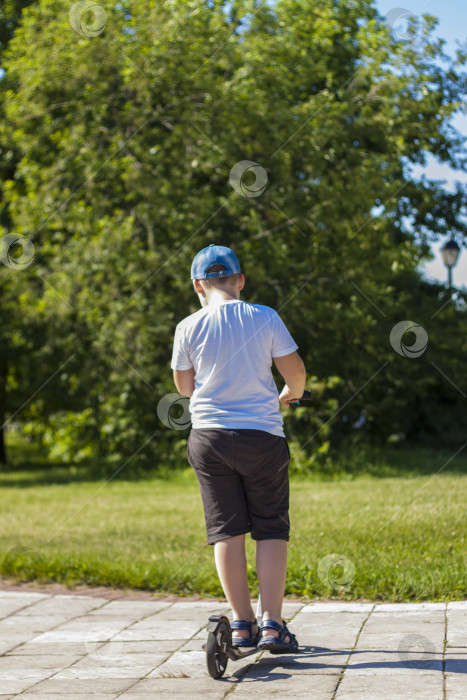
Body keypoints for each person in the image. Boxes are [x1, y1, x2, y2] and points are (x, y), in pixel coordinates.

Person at [171, 243, 306, 652]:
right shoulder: (264, 317)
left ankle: (242, 625)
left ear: (198, 285)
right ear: (241, 281)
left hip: (210, 438)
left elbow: (184, 386)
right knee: (270, 528)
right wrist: (291, 394)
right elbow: (295, 371)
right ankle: (273, 625)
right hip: (261, 437)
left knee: (227, 531)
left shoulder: (187, 326)